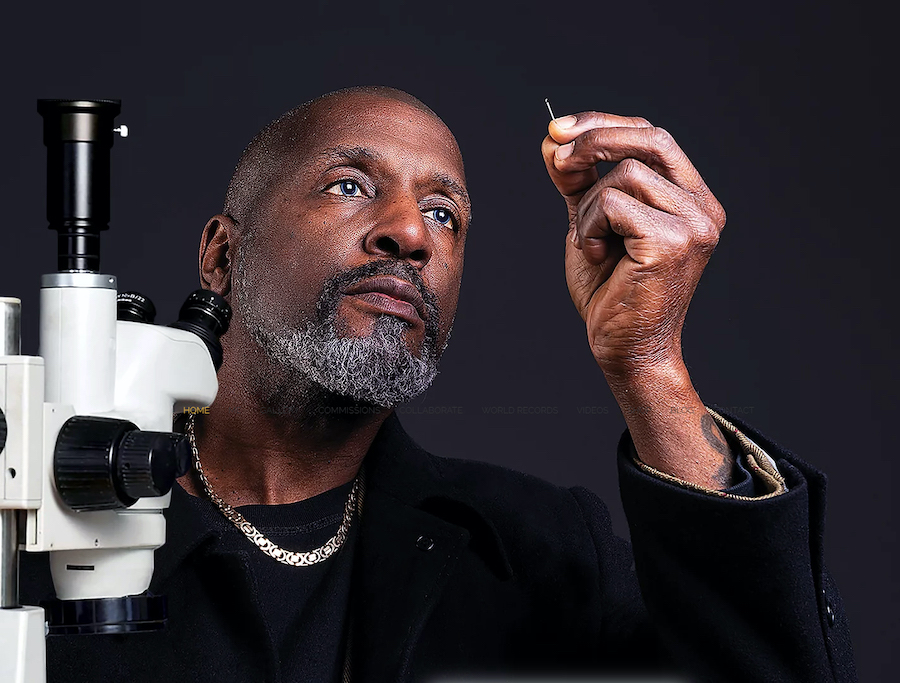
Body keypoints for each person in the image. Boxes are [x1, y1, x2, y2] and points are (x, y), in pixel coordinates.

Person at [21, 86, 857, 682]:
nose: (410, 234)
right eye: (350, 185)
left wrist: (649, 365)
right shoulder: (30, 527)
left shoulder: (543, 552)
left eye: (446, 214)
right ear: (222, 257)